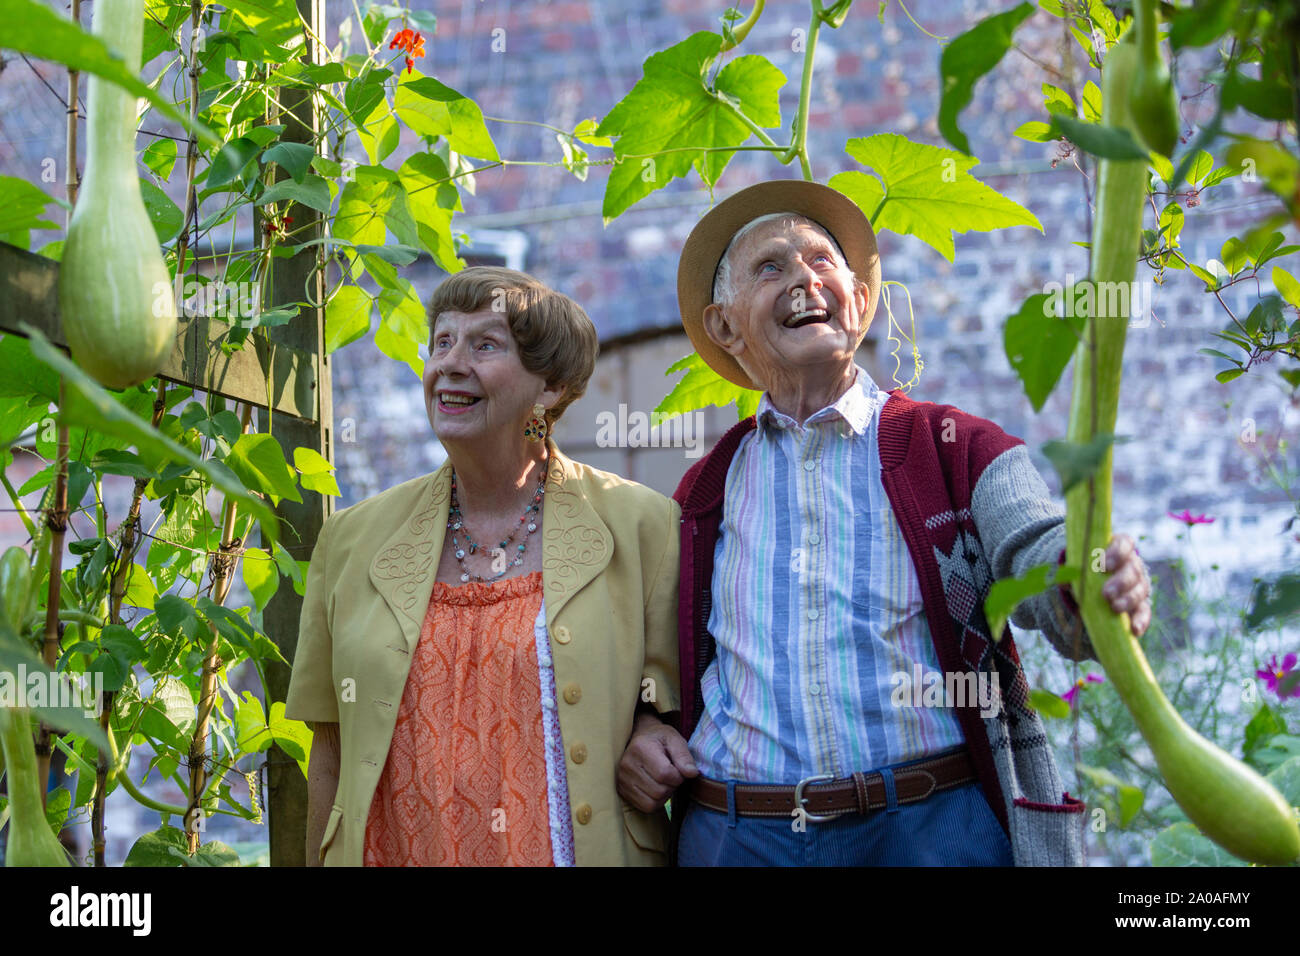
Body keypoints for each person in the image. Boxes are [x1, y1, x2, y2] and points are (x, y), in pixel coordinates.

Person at [616, 180, 1152, 866]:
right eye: (771, 267)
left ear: (860, 302)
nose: (804, 280)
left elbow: (1038, 547)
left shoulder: (956, 447)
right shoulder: (703, 493)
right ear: (725, 326)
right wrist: (643, 722)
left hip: (931, 830)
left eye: (820, 262)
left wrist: (1086, 581)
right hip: (744, 836)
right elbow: (655, 654)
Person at [286, 266, 680, 866]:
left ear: (548, 387)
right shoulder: (350, 541)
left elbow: (673, 709)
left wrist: (654, 731)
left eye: (484, 344)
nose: (450, 362)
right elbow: (330, 752)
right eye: (442, 342)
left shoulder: (642, 527)